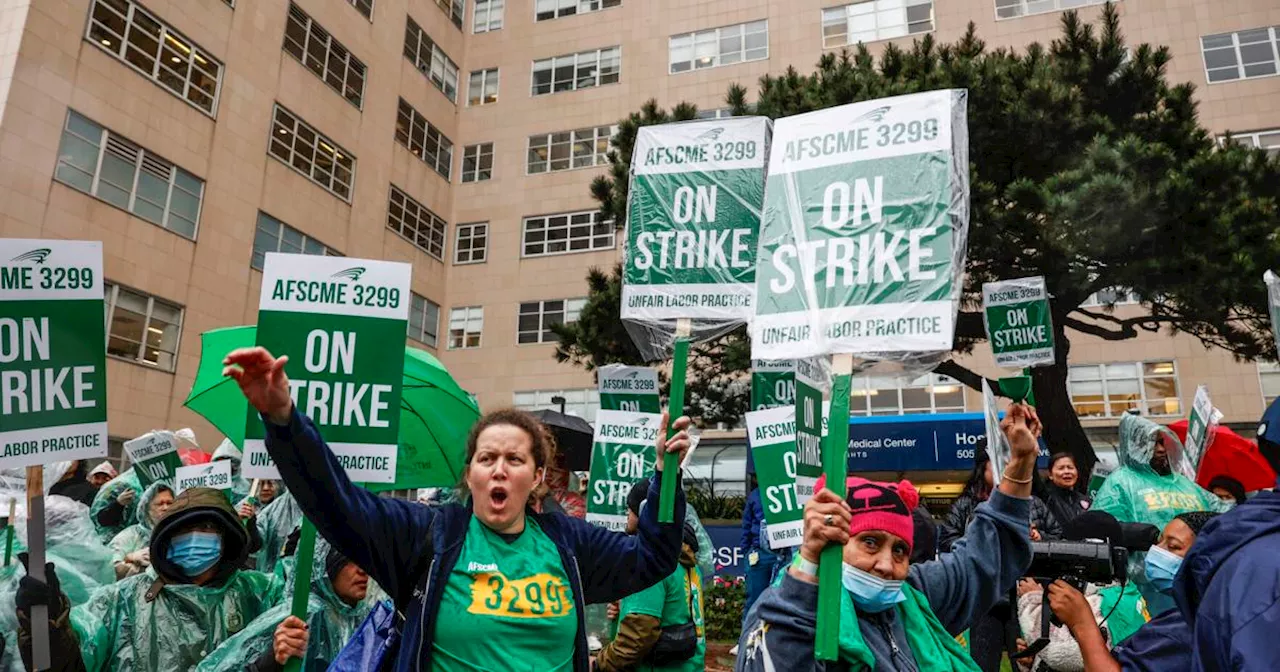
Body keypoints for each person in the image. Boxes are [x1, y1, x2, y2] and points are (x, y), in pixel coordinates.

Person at [221, 346, 692, 672]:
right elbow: (337, 502)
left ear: (537, 476)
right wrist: (283, 419)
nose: (500, 470)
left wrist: (664, 475)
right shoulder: (428, 537)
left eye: (515, 459)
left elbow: (651, 556)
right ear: (470, 475)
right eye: (487, 458)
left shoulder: (568, 543)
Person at [736, 402, 1041, 672]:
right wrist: (809, 567)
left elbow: (982, 560)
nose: (885, 565)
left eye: (900, 551)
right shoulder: (787, 610)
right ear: (833, 540)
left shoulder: (913, 596)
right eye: (869, 542)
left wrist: (1022, 462)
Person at [15, 487, 284, 671]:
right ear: (166, 539)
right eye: (185, 529)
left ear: (227, 538)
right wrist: (47, 622)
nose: (194, 538)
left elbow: (309, 610)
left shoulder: (257, 594)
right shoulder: (122, 599)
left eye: (207, 528)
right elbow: (58, 663)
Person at [1044, 511, 1219, 672]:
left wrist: (1082, 623)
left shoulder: (1187, 632)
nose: (1156, 551)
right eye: (1159, 541)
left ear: (1206, 559)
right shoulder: (1184, 614)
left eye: (1173, 546)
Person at [1090, 413, 1226, 615]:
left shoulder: (1184, 483)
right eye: (1153, 443)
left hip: (1196, 582)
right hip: (1144, 589)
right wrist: (1144, 536)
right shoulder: (1120, 481)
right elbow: (1099, 528)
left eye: (1162, 442)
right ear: (1135, 445)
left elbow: (1221, 515)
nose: (1161, 449)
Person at [941, 446, 1059, 671]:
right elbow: (947, 542)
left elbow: (1058, 540)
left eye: (1008, 464)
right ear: (982, 469)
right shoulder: (966, 504)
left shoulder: (1034, 503)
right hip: (984, 597)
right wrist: (980, 542)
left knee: (1027, 661)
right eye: (997, 464)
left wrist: (1039, 538)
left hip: (1025, 594)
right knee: (982, 662)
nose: (1005, 470)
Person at [196, 538, 373, 671]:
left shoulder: (367, 618)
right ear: (325, 563)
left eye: (367, 560)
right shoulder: (304, 612)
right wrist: (271, 660)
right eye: (350, 560)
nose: (362, 570)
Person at [596, 479, 705, 672]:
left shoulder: (649, 563)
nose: (627, 513)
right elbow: (675, 611)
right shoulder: (684, 557)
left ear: (644, 512)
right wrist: (627, 608)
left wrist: (599, 665)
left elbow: (637, 637)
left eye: (631, 507)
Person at [106, 482, 174, 580]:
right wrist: (130, 558)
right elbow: (107, 568)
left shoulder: (180, 534)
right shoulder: (131, 535)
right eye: (160, 504)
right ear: (147, 509)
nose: (165, 508)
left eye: (169, 503)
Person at [739, 475, 779, 626]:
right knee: (754, 598)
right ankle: (746, 640)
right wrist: (747, 552)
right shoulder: (756, 494)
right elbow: (746, 525)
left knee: (780, 599)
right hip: (759, 554)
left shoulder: (788, 491)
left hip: (783, 553)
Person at [1041, 453, 1091, 530]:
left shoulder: (1085, 500)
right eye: (1061, 468)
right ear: (1050, 474)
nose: (1067, 471)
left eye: (1070, 468)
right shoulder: (1045, 498)